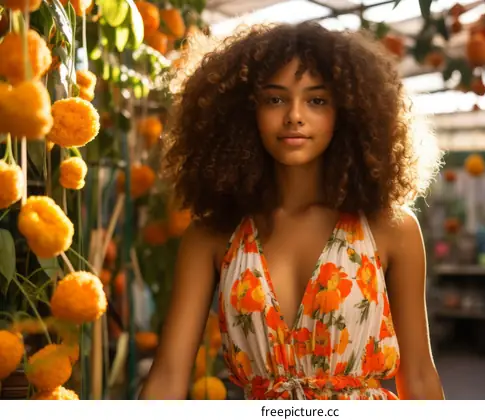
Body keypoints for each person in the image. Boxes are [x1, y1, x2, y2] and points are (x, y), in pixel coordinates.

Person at [140, 21, 444, 400]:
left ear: (346, 113)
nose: (294, 116)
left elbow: (418, 375)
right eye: (275, 99)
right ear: (244, 112)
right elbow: (168, 376)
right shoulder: (212, 235)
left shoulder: (390, 228)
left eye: (316, 100)